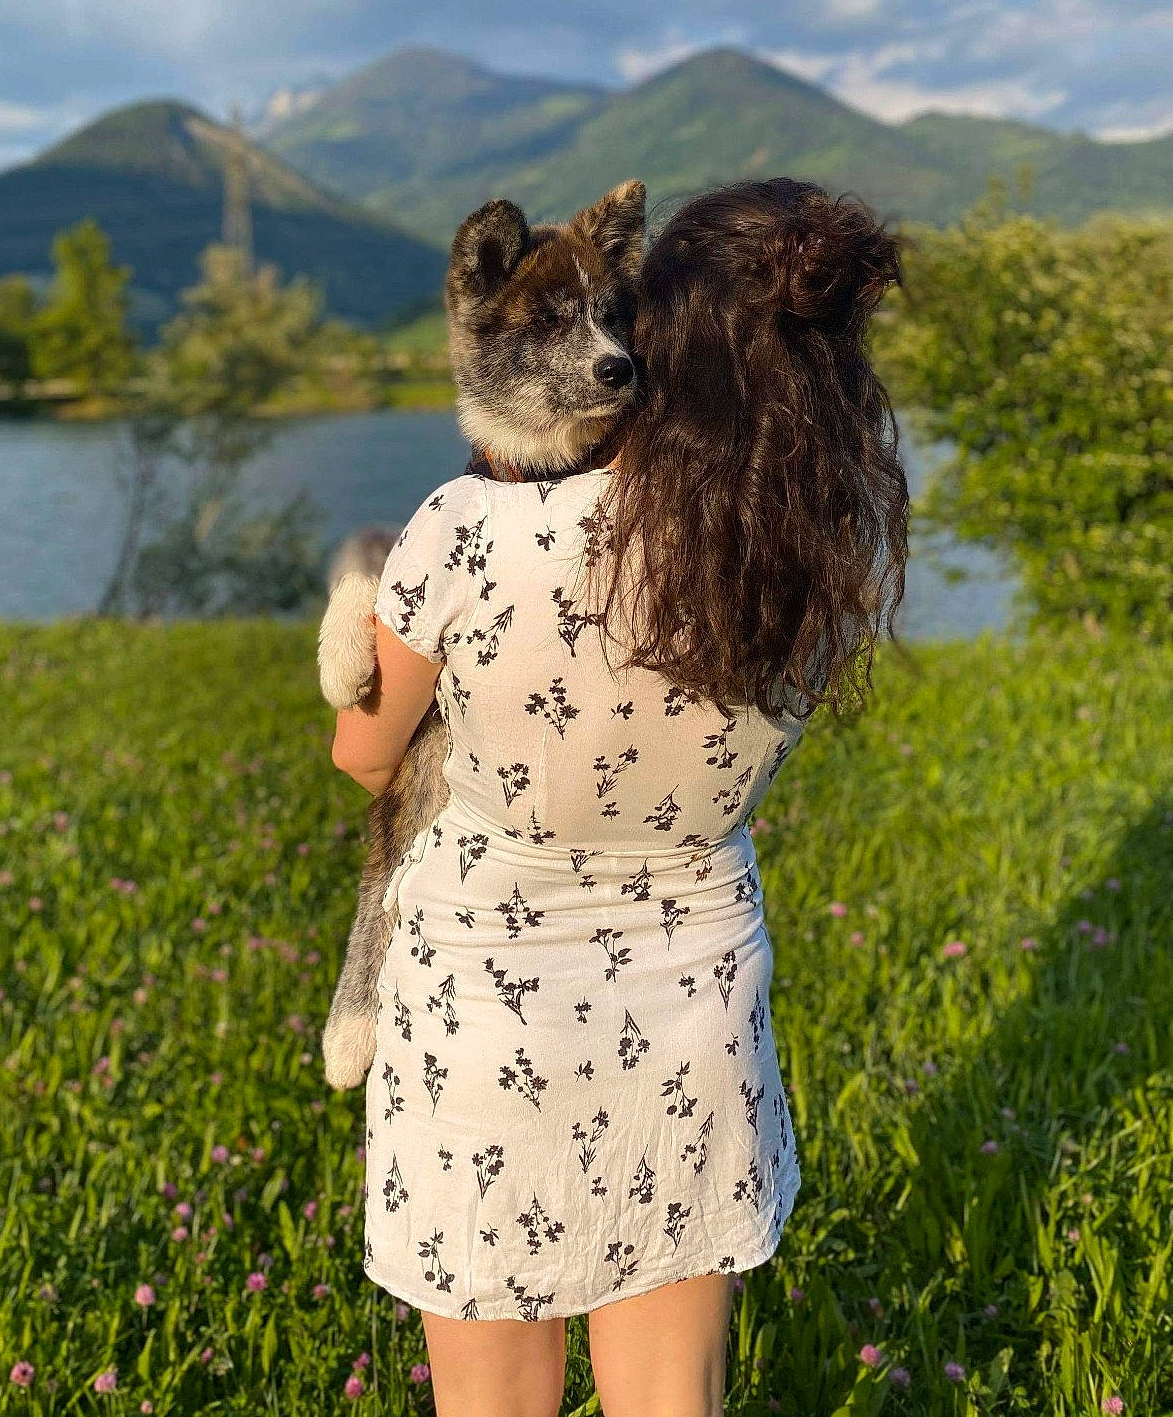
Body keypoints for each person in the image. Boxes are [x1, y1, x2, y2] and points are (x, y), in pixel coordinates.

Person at [331, 178, 909, 1417]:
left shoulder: (468, 528)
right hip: (693, 1007)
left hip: (484, 1009)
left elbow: (365, 755)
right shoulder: (799, 553)